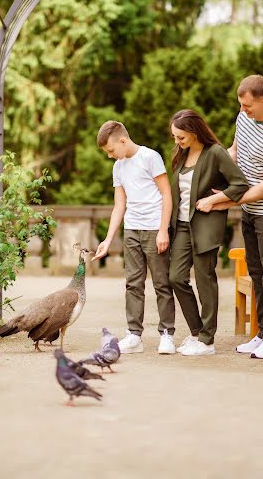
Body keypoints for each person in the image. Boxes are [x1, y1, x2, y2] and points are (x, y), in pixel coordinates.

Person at [196, 74, 263, 359]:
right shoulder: (244, 119)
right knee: (257, 271)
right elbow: (234, 152)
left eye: (247, 106)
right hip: (249, 209)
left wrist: (226, 199)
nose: (242, 111)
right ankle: (262, 333)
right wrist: (212, 175)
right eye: (240, 105)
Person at [168, 109, 249, 356]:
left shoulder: (215, 153)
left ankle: (207, 340)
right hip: (181, 226)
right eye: (175, 137)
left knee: (205, 280)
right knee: (176, 277)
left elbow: (240, 184)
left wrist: (213, 201)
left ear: (193, 133)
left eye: (180, 137)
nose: (177, 142)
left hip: (205, 225)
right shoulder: (181, 155)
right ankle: (196, 332)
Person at [92, 121, 176, 355]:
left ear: (122, 140)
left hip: (153, 230)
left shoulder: (150, 157)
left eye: (111, 151)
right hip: (132, 229)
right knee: (133, 284)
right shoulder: (118, 167)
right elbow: (120, 205)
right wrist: (108, 240)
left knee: (162, 283)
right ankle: (134, 335)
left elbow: (166, 193)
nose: (110, 156)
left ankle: (167, 334)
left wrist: (163, 230)